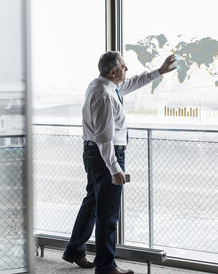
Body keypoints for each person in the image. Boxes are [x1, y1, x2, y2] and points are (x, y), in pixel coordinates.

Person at [62, 51, 176, 274]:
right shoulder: (104, 95)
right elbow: (104, 137)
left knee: (93, 205)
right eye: (124, 67)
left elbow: (132, 83)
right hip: (106, 155)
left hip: (95, 155)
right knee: (108, 214)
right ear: (113, 71)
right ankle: (106, 267)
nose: (127, 70)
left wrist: (159, 72)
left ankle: (75, 250)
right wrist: (114, 168)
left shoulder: (102, 85)